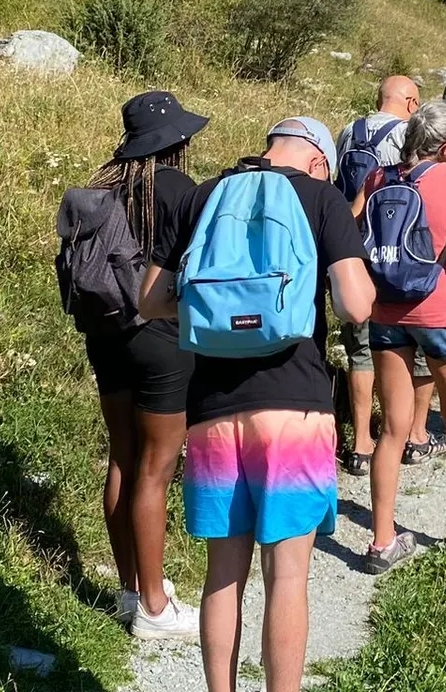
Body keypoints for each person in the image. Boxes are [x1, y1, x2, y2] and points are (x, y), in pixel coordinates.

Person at [138, 117, 375, 692]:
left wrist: (219, 317)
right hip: (294, 408)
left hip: (213, 410)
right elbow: (355, 304)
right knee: (287, 577)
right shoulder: (321, 196)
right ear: (319, 159)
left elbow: (150, 300)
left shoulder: (204, 196)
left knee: (224, 573)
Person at [73, 91, 204, 639]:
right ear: (176, 141)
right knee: (156, 469)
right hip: (161, 338)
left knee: (123, 459)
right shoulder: (179, 190)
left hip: (105, 335)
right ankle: (155, 607)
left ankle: (132, 591)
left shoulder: (102, 188)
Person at [352, 99, 446, 571]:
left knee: (393, 427)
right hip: (438, 309)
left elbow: (354, 225)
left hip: (385, 311)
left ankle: (382, 542)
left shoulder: (377, 178)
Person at [335, 76, 439, 475]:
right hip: (399, 256)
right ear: (412, 102)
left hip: (352, 252)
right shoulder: (409, 135)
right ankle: (413, 435)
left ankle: (361, 443)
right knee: (416, 344)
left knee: (359, 348)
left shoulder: (350, 131)